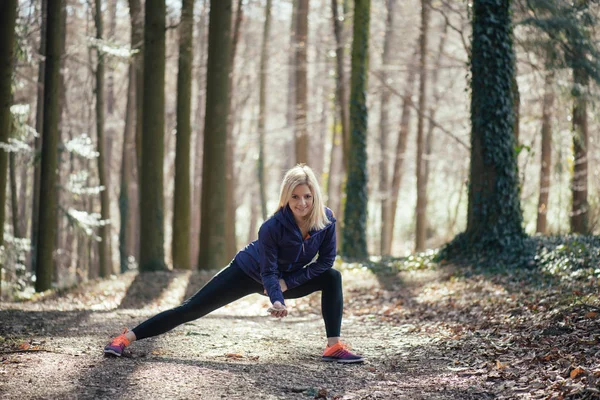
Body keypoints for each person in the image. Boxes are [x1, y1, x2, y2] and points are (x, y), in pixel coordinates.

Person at [104, 164, 363, 363]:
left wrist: (288, 284)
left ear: (314, 195)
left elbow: (326, 261)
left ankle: (333, 346)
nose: (302, 203)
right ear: (286, 197)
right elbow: (268, 271)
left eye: (307, 196)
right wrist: (277, 298)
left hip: (286, 280)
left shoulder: (326, 220)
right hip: (247, 272)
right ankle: (125, 338)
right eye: (295, 197)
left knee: (332, 276)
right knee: (191, 309)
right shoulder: (272, 227)